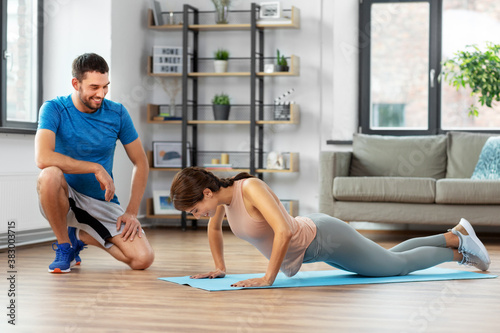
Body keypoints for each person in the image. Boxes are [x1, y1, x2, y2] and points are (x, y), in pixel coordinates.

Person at [170, 167, 491, 288]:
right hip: (316, 246)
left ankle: (458, 252)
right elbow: (213, 231)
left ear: (207, 192)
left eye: (196, 209)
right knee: (388, 258)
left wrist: (268, 279)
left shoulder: (248, 188)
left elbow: (283, 230)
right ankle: (453, 235)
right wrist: (219, 268)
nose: (198, 215)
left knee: (396, 267)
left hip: (325, 239)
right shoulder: (222, 203)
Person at [35, 53, 154, 273]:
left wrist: (132, 212)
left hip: (100, 202)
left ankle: (77, 237)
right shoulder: (53, 109)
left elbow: (141, 163)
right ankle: (63, 245)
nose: (101, 94)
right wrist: (95, 167)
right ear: (75, 83)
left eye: (105, 86)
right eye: (93, 87)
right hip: (64, 197)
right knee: (49, 174)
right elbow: (43, 158)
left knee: (142, 260)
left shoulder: (117, 113)